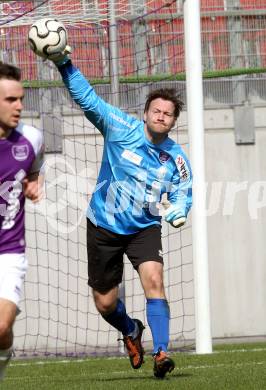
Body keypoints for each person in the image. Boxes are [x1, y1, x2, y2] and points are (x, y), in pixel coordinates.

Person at [34, 42, 192, 378]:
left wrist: (179, 208)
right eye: (157, 111)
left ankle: (162, 353)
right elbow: (88, 99)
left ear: (174, 121)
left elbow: (183, 191)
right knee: (105, 303)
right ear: (146, 112)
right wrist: (64, 64)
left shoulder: (176, 158)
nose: (161, 117)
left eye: (168, 114)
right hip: (103, 225)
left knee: (154, 279)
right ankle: (130, 329)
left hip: (144, 227)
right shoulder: (120, 128)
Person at [0, 62, 44, 381]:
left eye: (21, 99)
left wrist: (33, 181)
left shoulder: (31, 138)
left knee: (1, 327)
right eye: (10, 100)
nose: (19, 106)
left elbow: (34, 166)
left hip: (9, 252)